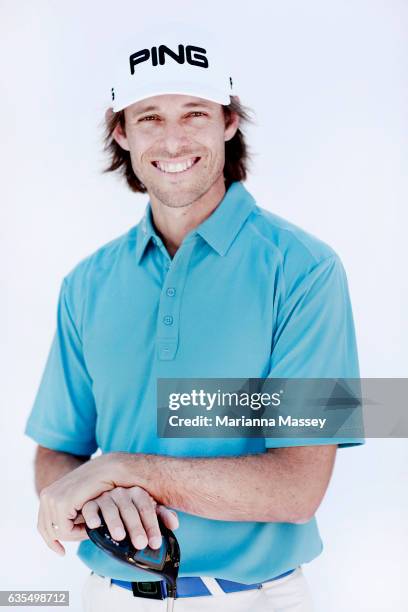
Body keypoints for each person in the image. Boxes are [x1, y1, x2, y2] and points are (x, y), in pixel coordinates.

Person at [24, 23, 365, 612]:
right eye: (150, 116)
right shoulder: (86, 283)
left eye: (194, 113)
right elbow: (59, 451)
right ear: (122, 133)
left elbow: (299, 488)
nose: (174, 140)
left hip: (256, 599)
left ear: (228, 124)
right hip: (107, 596)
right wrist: (92, 498)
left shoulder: (307, 270)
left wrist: (126, 470)